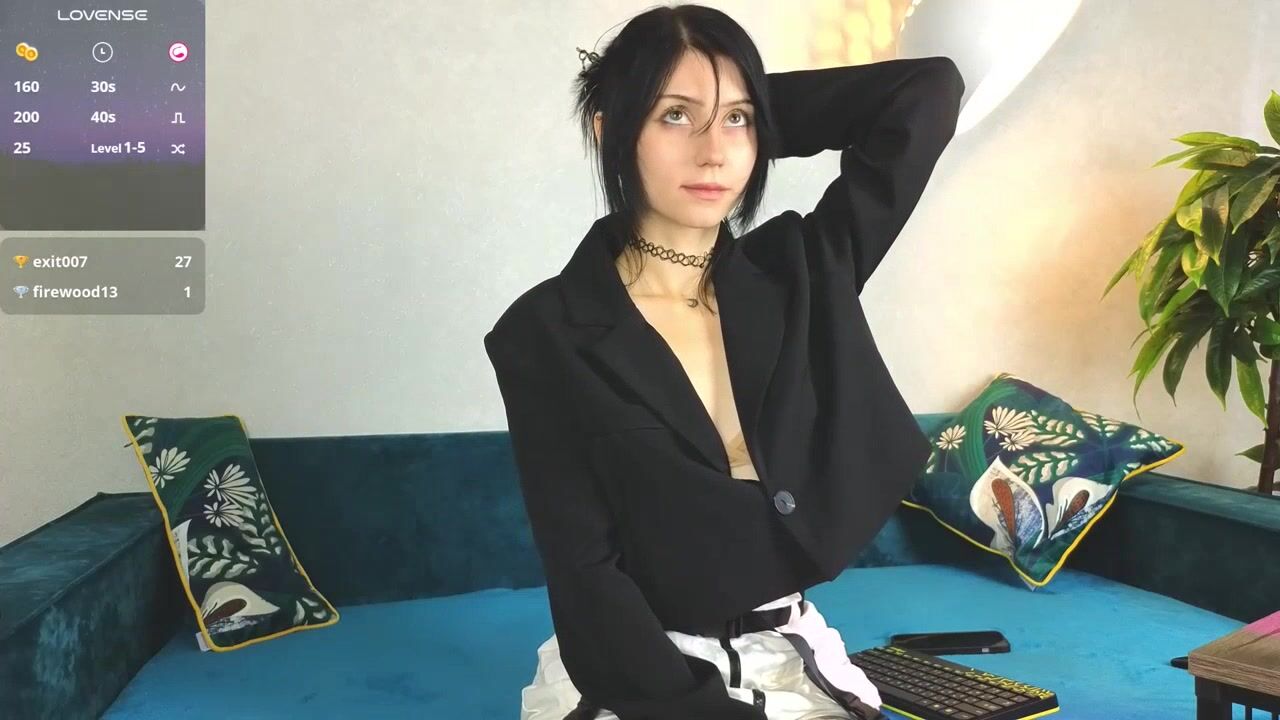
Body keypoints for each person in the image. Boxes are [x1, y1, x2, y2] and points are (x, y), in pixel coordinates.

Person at [483, 4, 965, 719]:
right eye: (674, 117)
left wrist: (743, 112)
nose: (713, 153)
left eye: (736, 120)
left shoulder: (803, 272)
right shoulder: (545, 332)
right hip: (640, 670)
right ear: (611, 130)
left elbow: (926, 92)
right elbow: (585, 573)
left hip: (790, 654)